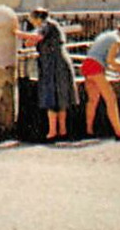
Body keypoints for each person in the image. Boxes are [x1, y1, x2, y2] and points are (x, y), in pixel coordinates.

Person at [16, 7, 76, 141]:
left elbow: (37, 36)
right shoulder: (50, 25)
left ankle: (52, 132)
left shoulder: (46, 24)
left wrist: (16, 33)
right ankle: (62, 130)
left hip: (53, 64)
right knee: (60, 98)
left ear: (37, 18)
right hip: (56, 62)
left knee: (51, 97)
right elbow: (33, 40)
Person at [81, 25, 120, 141]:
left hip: (86, 65)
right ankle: (119, 132)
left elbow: (104, 60)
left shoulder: (105, 35)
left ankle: (88, 129)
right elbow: (110, 61)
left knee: (92, 100)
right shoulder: (116, 40)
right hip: (96, 67)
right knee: (111, 99)